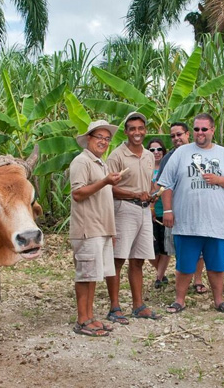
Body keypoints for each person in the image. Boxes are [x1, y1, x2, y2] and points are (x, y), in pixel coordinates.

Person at [158, 113, 224, 314]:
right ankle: (179, 300)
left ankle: (219, 300)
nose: (200, 133)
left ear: (212, 130)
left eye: (204, 129)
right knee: (185, 265)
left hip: (216, 223)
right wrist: (168, 210)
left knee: (216, 266)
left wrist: (219, 180)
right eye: (196, 129)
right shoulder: (181, 153)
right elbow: (166, 184)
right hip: (187, 222)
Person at [68, 120, 123, 337]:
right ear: (89, 138)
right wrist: (105, 182)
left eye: (107, 138)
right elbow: (78, 193)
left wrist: (112, 231)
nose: (103, 141)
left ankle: (89, 317)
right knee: (85, 275)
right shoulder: (82, 162)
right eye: (99, 137)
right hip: (87, 227)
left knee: (93, 275)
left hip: (101, 228)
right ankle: (82, 320)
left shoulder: (101, 163)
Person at [105, 112, 161, 322]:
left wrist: (151, 196)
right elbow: (108, 188)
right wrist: (135, 194)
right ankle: (114, 307)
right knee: (118, 259)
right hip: (124, 209)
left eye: (140, 128)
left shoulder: (148, 155)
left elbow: (147, 185)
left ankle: (138, 305)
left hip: (144, 210)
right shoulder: (117, 156)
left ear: (145, 130)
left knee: (138, 260)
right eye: (132, 129)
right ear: (126, 132)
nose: (137, 133)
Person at [158, 122, 208, 294]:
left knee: (200, 247)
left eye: (179, 134)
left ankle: (198, 279)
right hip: (177, 210)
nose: (176, 138)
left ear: (187, 134)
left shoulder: (202, 153)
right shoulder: (169, 158)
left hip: (201, 208)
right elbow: (164, 186)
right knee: (180, 247)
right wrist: (167, 210)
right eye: (172, 136)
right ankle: (182, 283)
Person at [148, 137, 171, 289]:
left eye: (159, 149)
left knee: (165, 246)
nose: (156, 152)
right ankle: (160, 272)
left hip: (165, 210)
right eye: (152, 150)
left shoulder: (169, 167)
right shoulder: (145, 168)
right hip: (149, 212)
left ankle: (159, 276)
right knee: (150, 249)